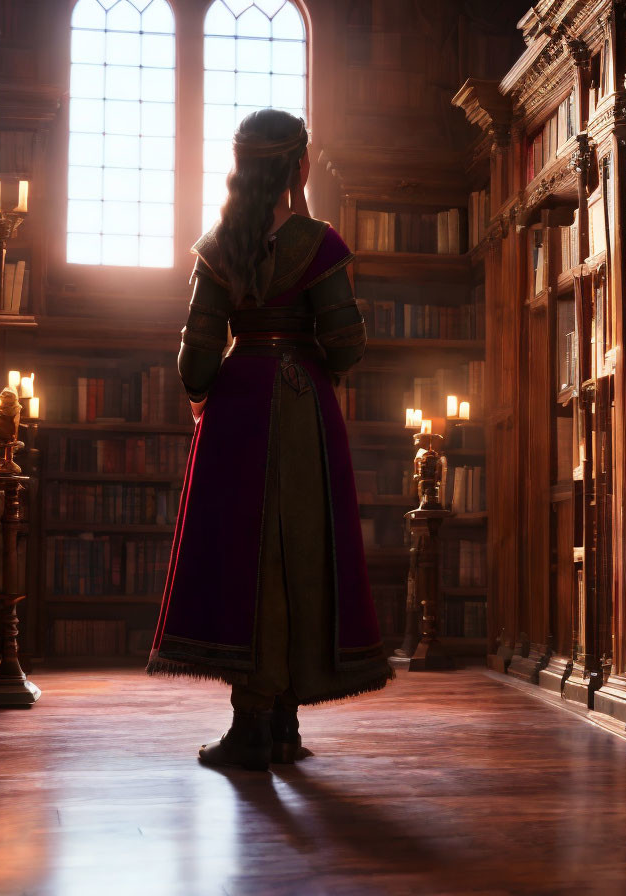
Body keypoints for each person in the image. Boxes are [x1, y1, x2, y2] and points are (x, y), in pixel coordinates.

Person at [146, 109, 394, 771]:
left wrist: (210, 393)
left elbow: (196, 359)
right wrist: (313, 363)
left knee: (243, 556)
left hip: (238, 409)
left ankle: (254, 724)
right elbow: (346, 346)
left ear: (241, 166)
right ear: (298, 166)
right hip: (304, 407)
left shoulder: (219, 244)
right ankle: (280, 723)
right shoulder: (318, 243)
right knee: (302, 553)